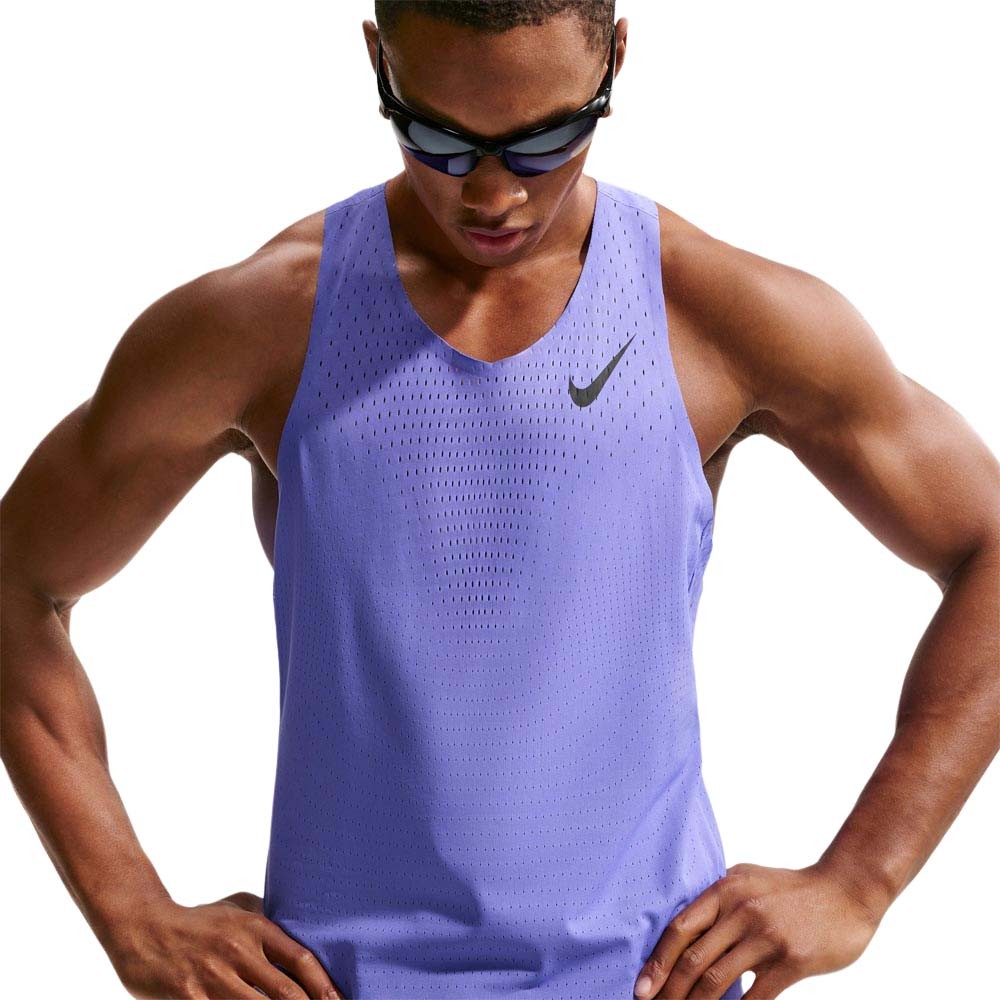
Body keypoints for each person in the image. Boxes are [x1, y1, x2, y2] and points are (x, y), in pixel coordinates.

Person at [2, 1, 997, 998]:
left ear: (613, 60)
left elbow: (986, 548)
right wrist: (130, 912)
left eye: (543, 140)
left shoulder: (712, 310)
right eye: (439, 138)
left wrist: (860, 880)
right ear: (378, 62)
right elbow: (15, 584)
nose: (492, 196)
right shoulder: (264, 321)